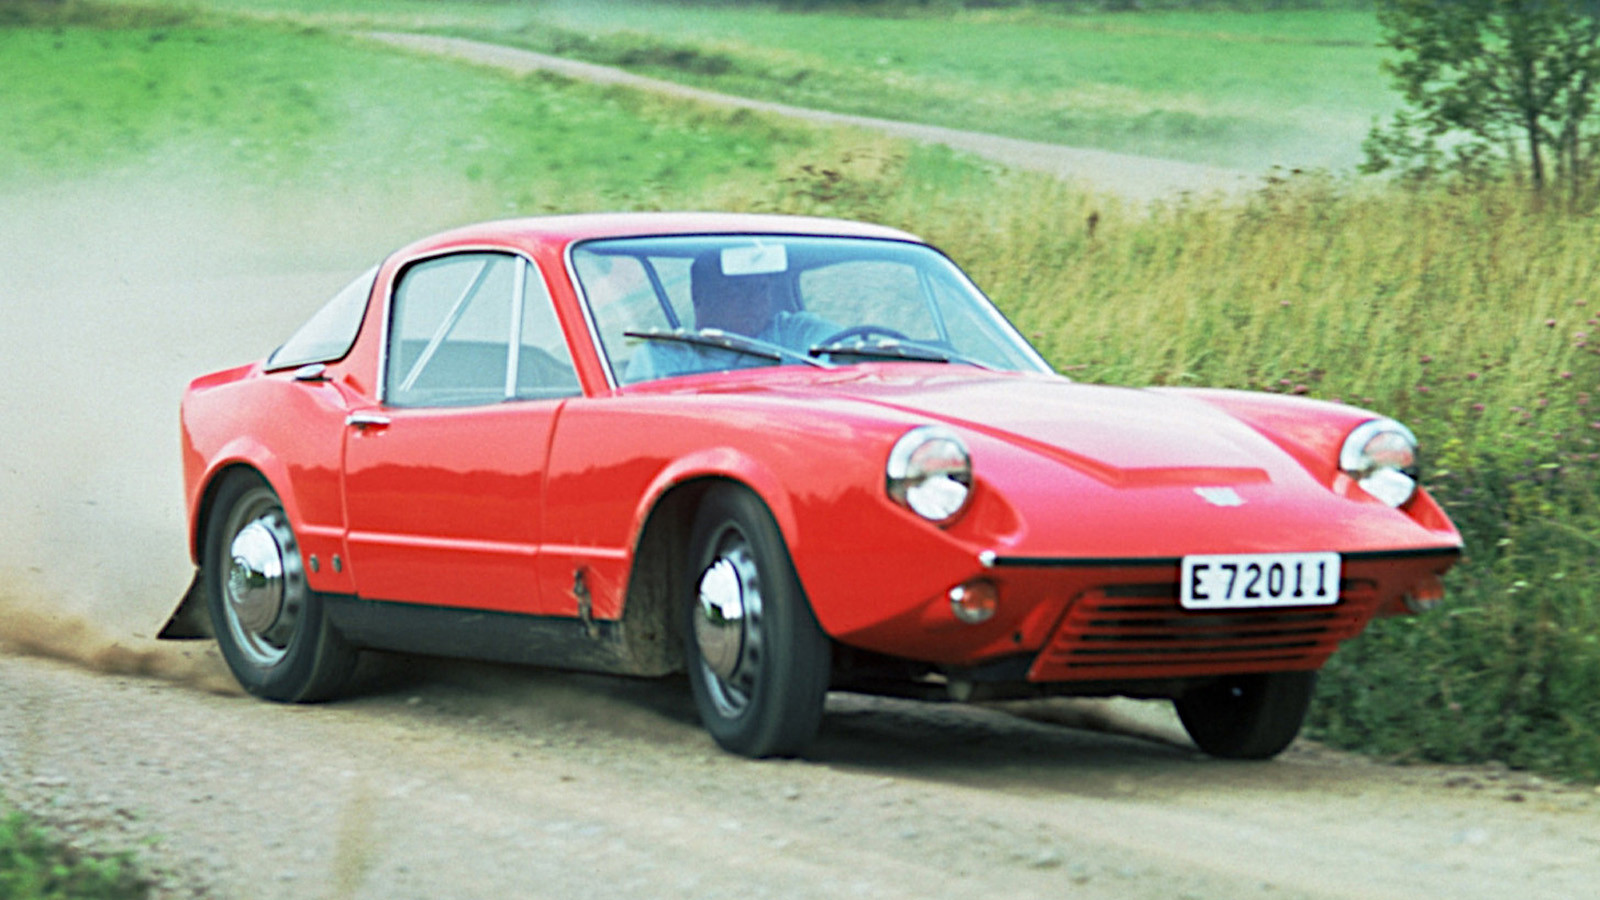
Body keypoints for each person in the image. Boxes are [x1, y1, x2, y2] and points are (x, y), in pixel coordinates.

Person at [626, 251, 839, 382]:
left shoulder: (794, 333)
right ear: (698, 294)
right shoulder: (664, 356)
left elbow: (846, 354)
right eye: (738, 289)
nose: (754, 299)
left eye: (761, 288)